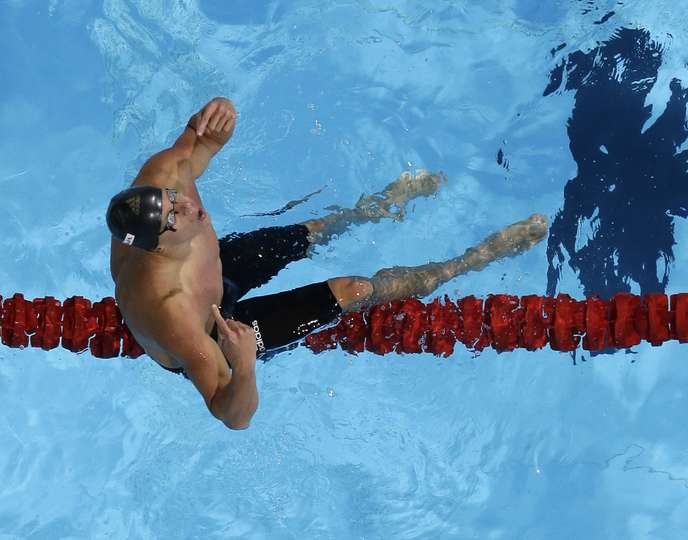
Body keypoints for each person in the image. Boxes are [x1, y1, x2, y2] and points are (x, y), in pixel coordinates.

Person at [107, 96, 548, 430]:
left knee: (308, 233)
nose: (187, 207)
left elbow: (195, 149)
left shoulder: (165, 174)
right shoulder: (176, 319)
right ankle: (470, 260)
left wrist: (214, 123)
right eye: (173, 216)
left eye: (174, 199)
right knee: (354, 290)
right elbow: (232, 415)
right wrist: (242, 365)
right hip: (218, 326)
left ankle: (375, 208)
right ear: (157, 249)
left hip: (213, 272)